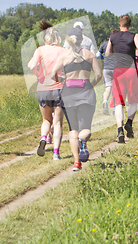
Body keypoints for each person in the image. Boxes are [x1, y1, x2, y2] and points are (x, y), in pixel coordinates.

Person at [52, 27, 101, 171]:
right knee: (86, 128)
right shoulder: (89, 55)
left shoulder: (64, 56)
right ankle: (83, 140)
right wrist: (90, 85)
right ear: (82, 39)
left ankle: (76, 162)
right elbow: (98, 75)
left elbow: (52, 74)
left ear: (68, 39)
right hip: (86, 93)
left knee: (73, 129)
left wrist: (62, 80)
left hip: (68, 94)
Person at [27, 20, 69, 160]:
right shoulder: (63, 51)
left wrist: (39, 76)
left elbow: (31, 65)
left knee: (46, 120)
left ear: (44, 38)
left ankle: (44, 137)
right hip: (59, 88)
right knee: (57, 123)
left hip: (43, 88)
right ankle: (56, 153)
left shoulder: (40, 50)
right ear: (57, 38)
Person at [105, 15, 138, 144]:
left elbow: (107, 53)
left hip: (118, 71)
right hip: (131, 70)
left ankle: (120, 129)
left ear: (119, 24)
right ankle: (129, 122)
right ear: (130, 25)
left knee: (118, 102)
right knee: (133, 100)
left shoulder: (113, 37)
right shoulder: (134, 35)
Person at [97, 29, 117, 115]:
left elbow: (97, 55)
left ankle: (105, 101)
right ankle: (115, 108)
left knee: (108, 87)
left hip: (106, 68)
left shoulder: (105, 44)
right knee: (117, 89)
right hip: (116, 68)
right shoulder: (118, 45)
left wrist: (103, 58)